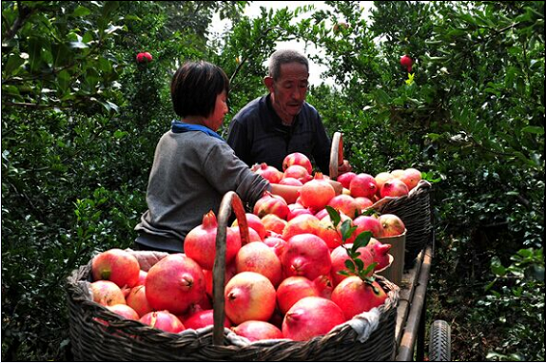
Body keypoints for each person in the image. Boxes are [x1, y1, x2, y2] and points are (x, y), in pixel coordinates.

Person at [134, 61, 324, 253]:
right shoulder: (208, 146)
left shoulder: (168, 138)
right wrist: (319, 192)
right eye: (223, 100)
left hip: (148, 238)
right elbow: (258, 190)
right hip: (180, 247)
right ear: (205, 100)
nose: (226, 109)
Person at [226, 49, 352, 175]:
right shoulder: (245, 122)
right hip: (259, 193)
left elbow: (327, 163)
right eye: (288, 86)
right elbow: (231, 177)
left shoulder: (310, 116)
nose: (297, 95)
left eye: (302, 85)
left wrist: (340, 168)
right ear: (270, 85)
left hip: (304, 192)